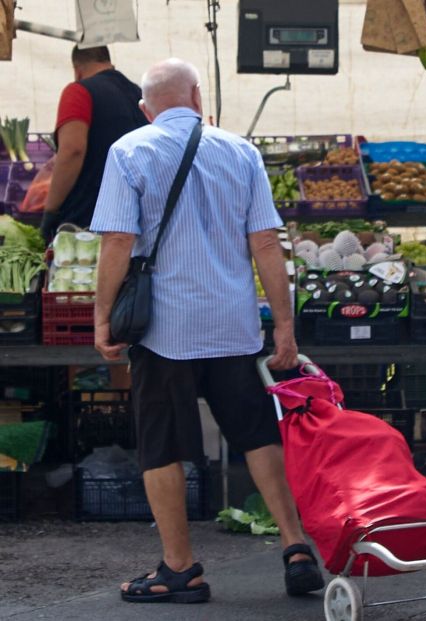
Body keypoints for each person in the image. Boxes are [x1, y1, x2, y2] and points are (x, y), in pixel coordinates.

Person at [90, 58, 324, 604]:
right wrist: (284, 327)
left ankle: (180, 569)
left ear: (146, 110)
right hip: (232, 326)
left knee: (161, 446)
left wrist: (102, 318)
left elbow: (117, 243)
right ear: (198, 97)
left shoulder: (129, 151)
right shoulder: (240, 151)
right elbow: (266, 245)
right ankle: (294, 546)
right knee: (258, 436)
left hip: (162, 330)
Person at [40, 46, 148, 239]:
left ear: (77, 69)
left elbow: (73, 150)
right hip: (135, 220)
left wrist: (51, 210)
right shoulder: (140, 94)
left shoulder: (79, 91)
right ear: (108, 61)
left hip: (87, 222)